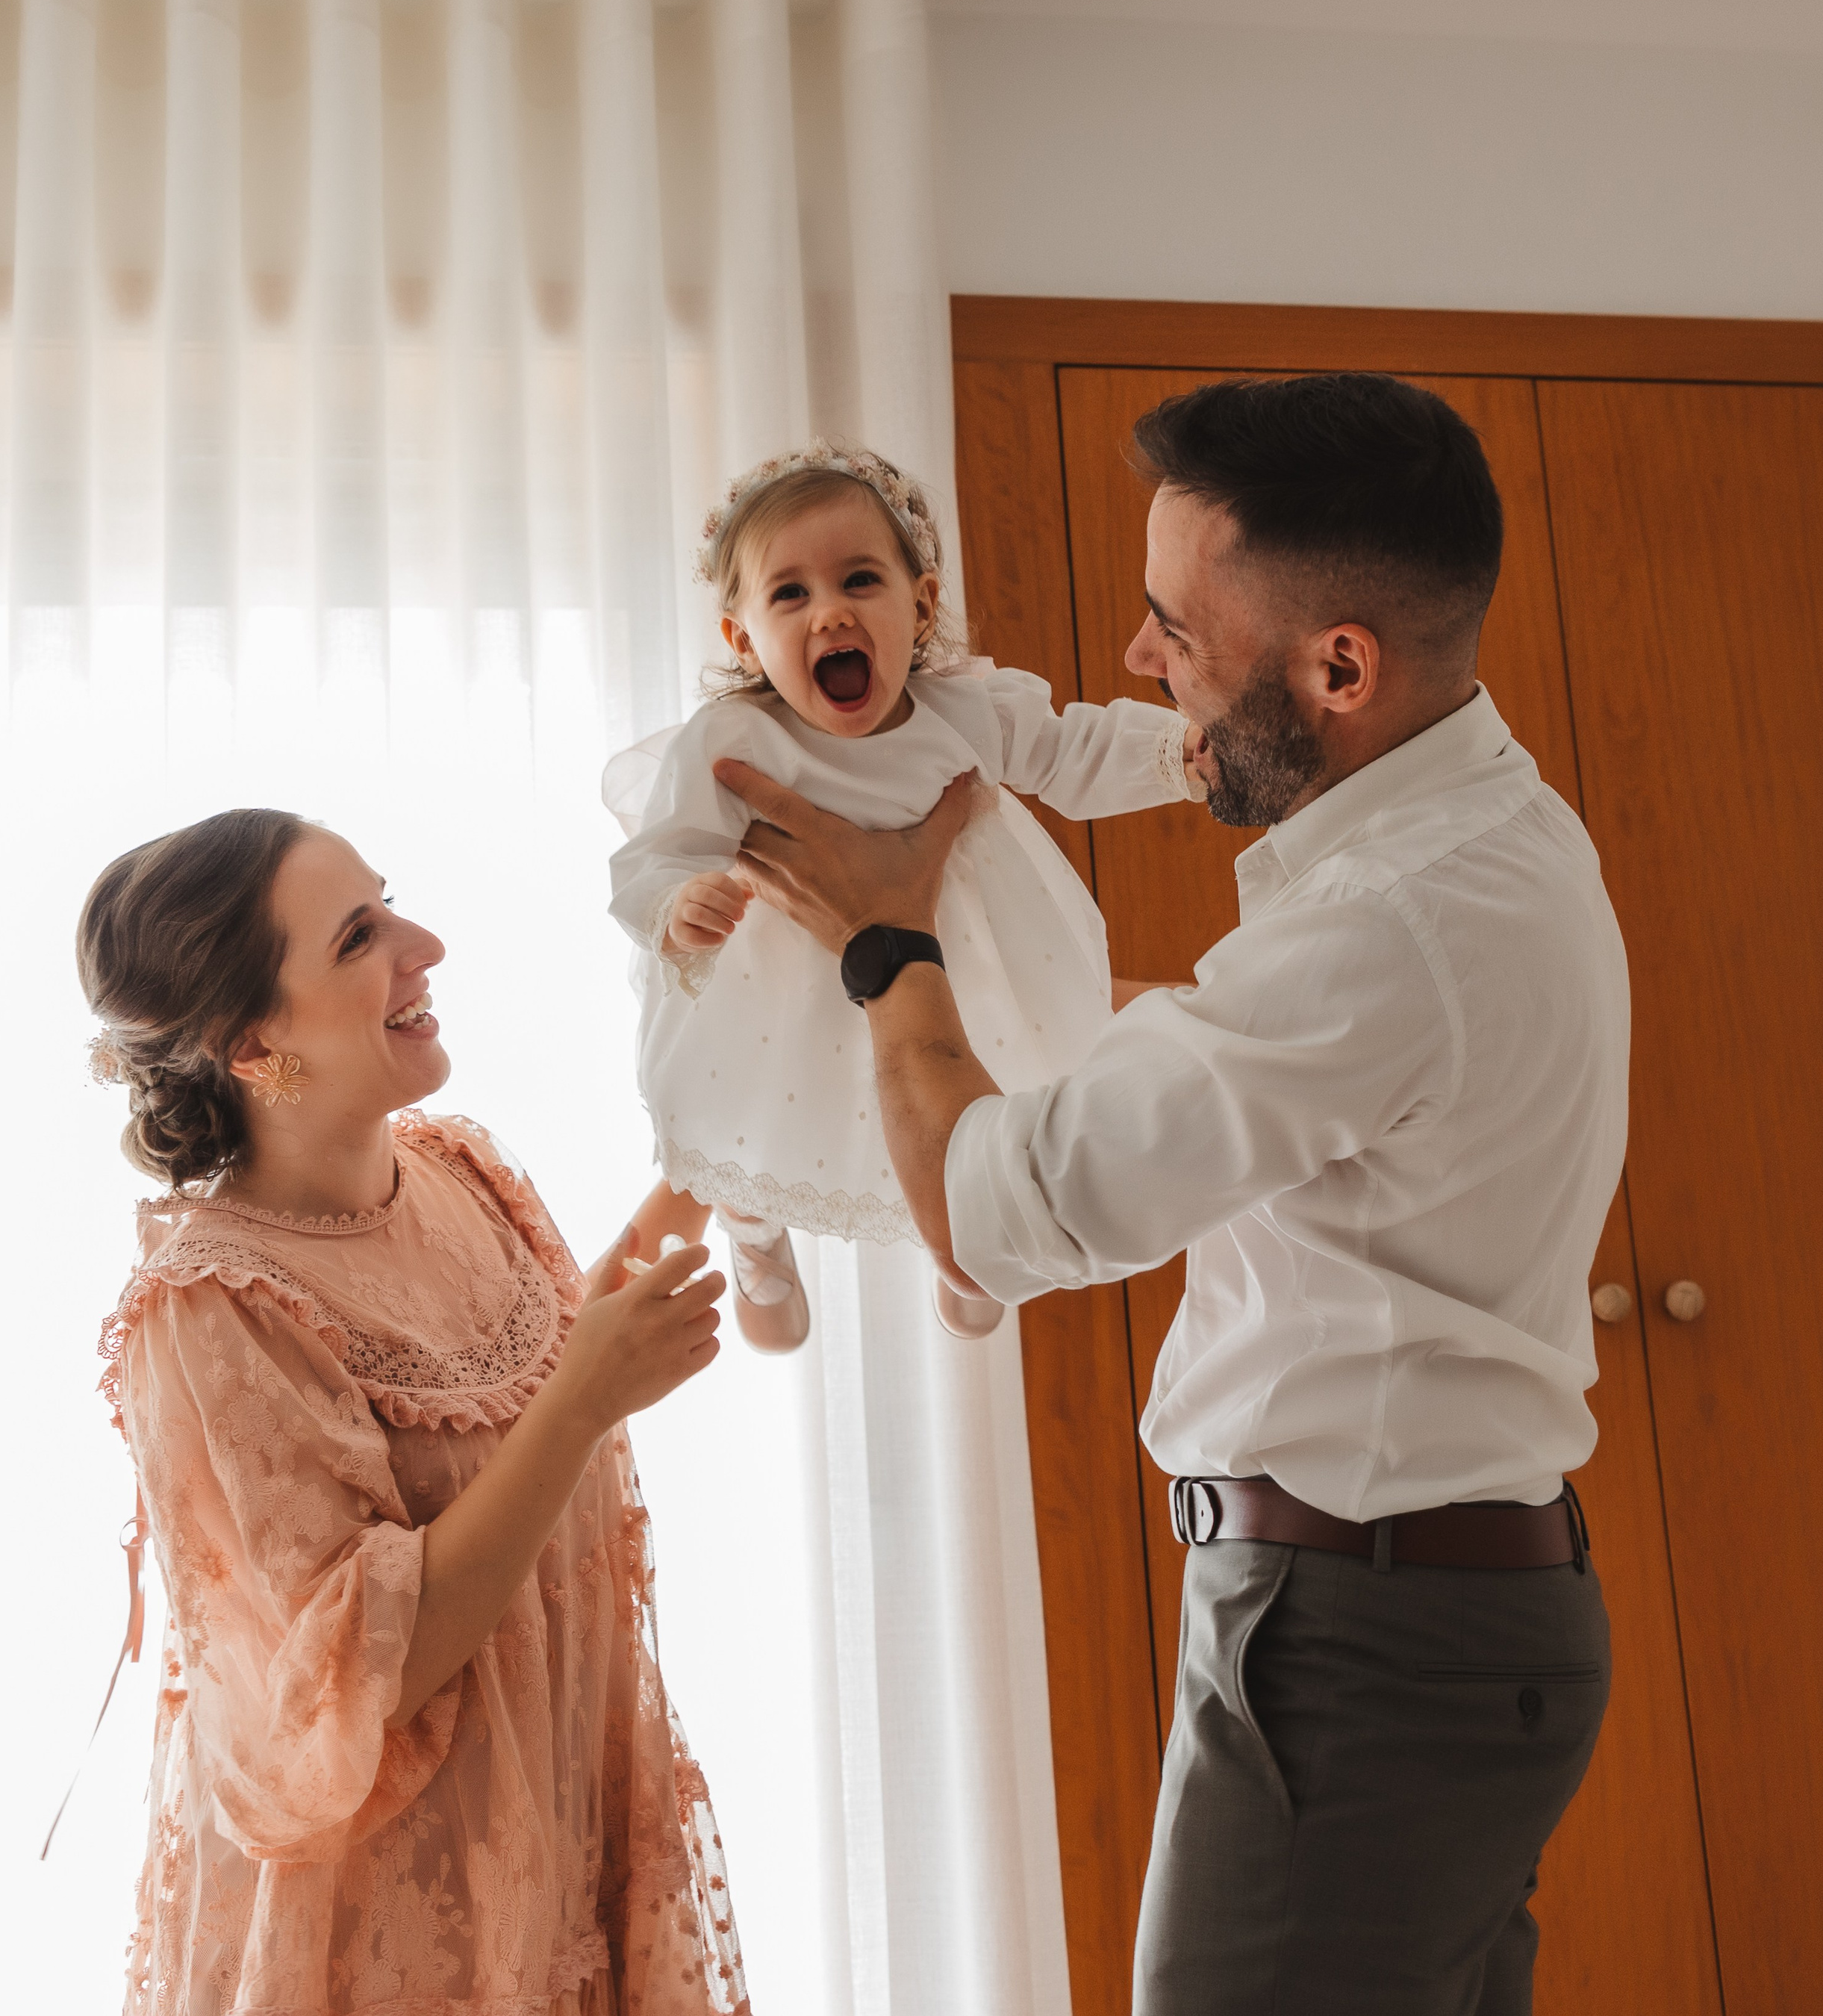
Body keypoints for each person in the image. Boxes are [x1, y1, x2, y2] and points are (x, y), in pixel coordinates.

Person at [712, 375, 1629, 2015]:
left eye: (1173, 631)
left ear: (1335, 666)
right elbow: (1295, 1075)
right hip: (1450, 1613)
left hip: (1357, 1644)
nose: (1139, 667)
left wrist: (886, 939)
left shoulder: (1380, 920)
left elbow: (985, 1208)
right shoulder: (1497, 831)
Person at [81, 809, 747, 2016]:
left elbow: (543, 1371)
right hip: (393, 1930)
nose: (423, 943)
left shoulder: (460, 1173)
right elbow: (352, 1674)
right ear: (251, 1045)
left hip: (558, 1848)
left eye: (393, 903)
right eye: (358, 936)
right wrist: (592, 1397)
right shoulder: (208, 1310)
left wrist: (737, 1133)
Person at [602, 440, 1197, 1349]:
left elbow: (1073, 750)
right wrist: (678, 903)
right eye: (789, 593)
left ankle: (963, 1246)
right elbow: (657, 851)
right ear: (742, 635)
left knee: (955, 1105)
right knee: (750, 1110)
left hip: (956, 963)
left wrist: (1181, 755)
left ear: (919, 605)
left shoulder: (966, 709)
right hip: (775, 988)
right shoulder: (735, 738)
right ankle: (756, 1235)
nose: (829, 610)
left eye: (859, 579)